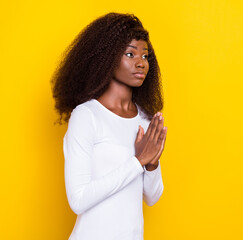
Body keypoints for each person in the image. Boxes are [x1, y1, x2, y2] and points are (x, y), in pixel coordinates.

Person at [51, 12, 167, 240]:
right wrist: (138, 161)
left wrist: (152, 162)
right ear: (107, 58)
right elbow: (78, 199)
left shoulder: (144, 118)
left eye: (145, 56)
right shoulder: (86, 116)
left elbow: (152, 197)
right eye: (130, 54)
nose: (141, 63)